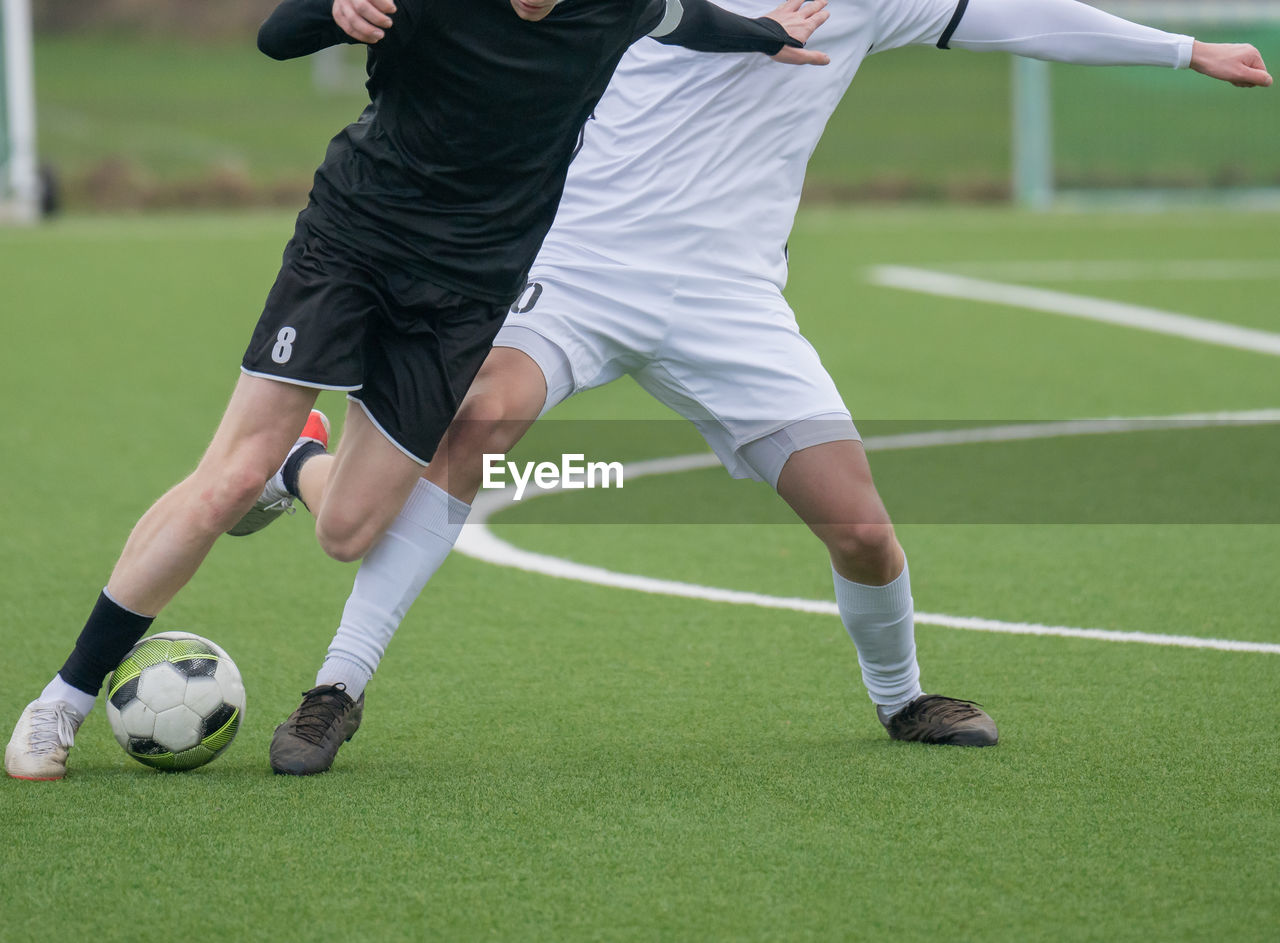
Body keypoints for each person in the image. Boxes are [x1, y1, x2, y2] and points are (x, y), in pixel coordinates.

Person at [246, 0, 1272, 775]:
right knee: (480, 414)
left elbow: (1018, 16)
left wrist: (1182, 50)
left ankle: (903, 697)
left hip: (731, 300)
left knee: (860, 526)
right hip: (580, 269)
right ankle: (336, 686)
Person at [3, 0, 834, 781]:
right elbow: (275, 36)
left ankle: (297, 465)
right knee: (226, 474)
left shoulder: (616, 5)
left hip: (467, 293)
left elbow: (689, 20)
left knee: (349, 531)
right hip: (353, 242)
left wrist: (764, 33)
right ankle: (63, 699)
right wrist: (333, 11)